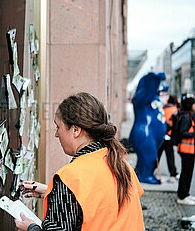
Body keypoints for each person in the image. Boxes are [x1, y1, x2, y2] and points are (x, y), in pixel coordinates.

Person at [15, 92, 144, 231]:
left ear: (75, 130)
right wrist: (53, 192)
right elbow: (102, 204)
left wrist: (31, 228)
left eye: (58, 127)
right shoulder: (122, 165)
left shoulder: (70, 178)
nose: (56, 134)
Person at [177, 97, 195, 205]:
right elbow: (182, 133)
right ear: (190, 105)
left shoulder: (189, 116)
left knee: (188, 173)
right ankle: (182, 196)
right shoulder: (186, 117)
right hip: (186, 150)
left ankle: (185, 194)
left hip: (190, 150)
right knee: (185, 173)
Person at [157, 95, 178, 181]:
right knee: (170, 156)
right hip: (169, 136)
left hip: (161, 135)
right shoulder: (175, 110)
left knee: (158, 155)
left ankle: (151, 169)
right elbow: (175, 126)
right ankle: (173, 172)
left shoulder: (163, 109)